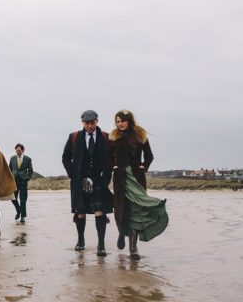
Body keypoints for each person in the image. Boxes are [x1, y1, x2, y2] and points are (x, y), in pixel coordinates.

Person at [109, 109, 168, 260]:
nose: (119, 124)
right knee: (121, 209)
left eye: (122, 120)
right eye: (117, 121)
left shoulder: (140, 136)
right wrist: (113, 166)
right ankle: (122, 233)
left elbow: (149, 155)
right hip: (121, 178)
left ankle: (133, 248)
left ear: (129, 120)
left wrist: (144, 166)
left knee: (137, 211)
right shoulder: (114, 137)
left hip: (136, 178)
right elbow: (107, 156)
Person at [62, 110, 113, 256]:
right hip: (79, 181)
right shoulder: (74, 137)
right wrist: (73, 175)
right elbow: (65, 158)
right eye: (87, 123)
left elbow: (110, 159)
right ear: (82, 122)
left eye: (92, 123)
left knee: (100, 211)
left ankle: (101, 245)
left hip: (99, 180)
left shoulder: (105, 137)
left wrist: (106, 178)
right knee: (81, 212)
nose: (90, 126)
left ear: (97, 121)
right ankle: (80, 240)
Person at [9, 143, 33, 223]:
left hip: (23, 181)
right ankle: (19, 210)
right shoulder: (12, 158)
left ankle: (23, 216)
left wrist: (28, 178)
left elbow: (31, 170)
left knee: (23, 199)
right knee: (13, 198)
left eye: (19, 151)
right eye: (16, 151)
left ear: (22, 150)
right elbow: (9, 169)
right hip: (14, 181)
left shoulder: (28, 159)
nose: (17, 152)